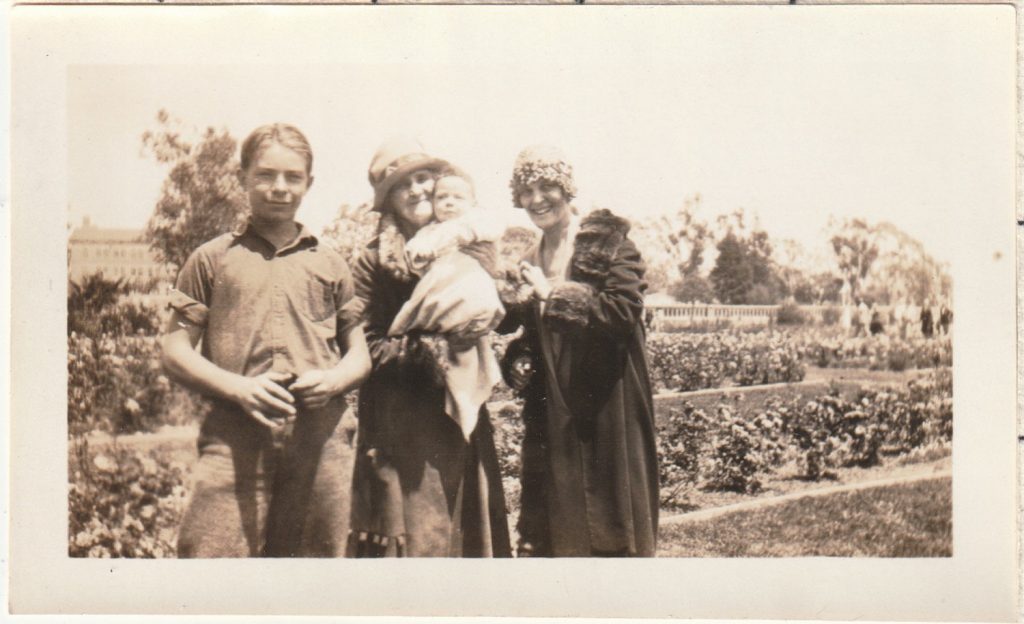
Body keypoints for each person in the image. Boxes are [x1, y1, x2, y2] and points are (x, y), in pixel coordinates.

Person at [161, 123, 371, 557]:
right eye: (266, 175)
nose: (280, 188)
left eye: (293, 177)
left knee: (315, 574)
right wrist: (240, 388)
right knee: (211, 563)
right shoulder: (211, 259)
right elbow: (175, 351)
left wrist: (334, 382)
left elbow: (360, 356)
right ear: (242, 177)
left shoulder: (331, 262)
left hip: (320, 440)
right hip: (235, 436)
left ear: (308, 183)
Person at [343, 137, 511, 557]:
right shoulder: (373, 261)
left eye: (425, 179)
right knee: (419, 538)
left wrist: (498, 282)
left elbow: (492, 309)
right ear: (387, 201)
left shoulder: (465, 246)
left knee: (465, 532)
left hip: (459, 413)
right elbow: (367, 343)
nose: (419, 190)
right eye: (404, 184)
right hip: (401, 418)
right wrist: (434, 348)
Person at [500, 144, 659, 557]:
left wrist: (552, 293)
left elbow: (623, 312)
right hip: (555, 402)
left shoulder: (605, 242)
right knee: (560, 514)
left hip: (609, 398)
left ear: (566, 188)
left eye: (547, 186)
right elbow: (540, 335)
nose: (536, 199)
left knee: (608, 513)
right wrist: (520, 357)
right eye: (526, 190)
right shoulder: (530, 256)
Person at [389, 172, 507, 441]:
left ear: (473, 202)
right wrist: (420, 253)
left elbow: (491, 228)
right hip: (442, 299)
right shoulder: (429, 232)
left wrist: (462, 232)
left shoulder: (473, 222)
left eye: (458, 197)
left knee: (470, 349)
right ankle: (462, 409)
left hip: (471, 291)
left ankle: (466, 409)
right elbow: (416, 254)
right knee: (424, 319)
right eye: (442, 197)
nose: (449, 203)